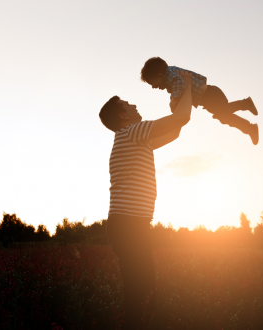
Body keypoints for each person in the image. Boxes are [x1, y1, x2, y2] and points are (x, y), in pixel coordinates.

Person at [99, 71, 193, 330]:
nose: (134, 105)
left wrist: (181, 101)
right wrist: (186, 86)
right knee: (141, 292)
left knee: (143, 290)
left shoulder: (135, 138)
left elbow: (175, 130)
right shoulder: (132, 133)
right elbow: (181, 118)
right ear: (122, 115)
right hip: (128, 225)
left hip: (132, 225)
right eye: (128, 104)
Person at [140, 57, 260, 145]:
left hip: (211, 95)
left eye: (152, 83)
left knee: (224, 116)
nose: (153, 87)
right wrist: (173, 100)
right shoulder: (170, 76)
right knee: (222, 114)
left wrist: (174, 100)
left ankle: (250, 128)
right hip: (209, 98)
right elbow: (178, 87)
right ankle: (245, 104)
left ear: (160, 76)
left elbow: (180, 83)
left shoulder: (170, 76)